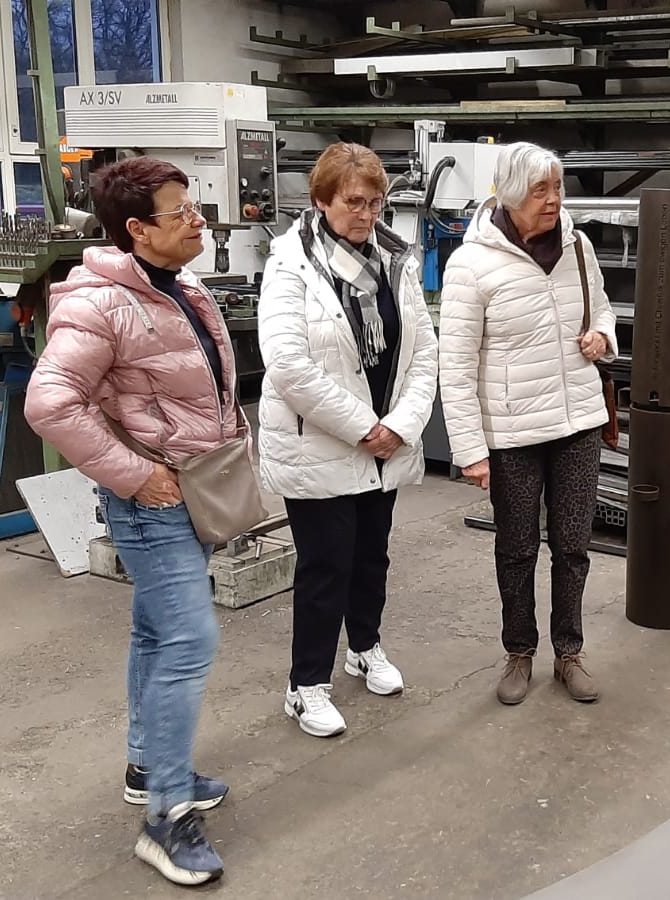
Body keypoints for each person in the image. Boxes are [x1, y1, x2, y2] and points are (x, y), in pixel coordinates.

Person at [26, 156, 236, 886]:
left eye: (193, 206)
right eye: (182, 212)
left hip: (190, 488)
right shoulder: (99, 303)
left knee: (155, 632)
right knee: (189, 639)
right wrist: (135, 474)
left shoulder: (180, 286)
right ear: (138, 230)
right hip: (152, 500)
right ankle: (167, 817)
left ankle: (150, 766)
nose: (198, 220)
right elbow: (50, 404)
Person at [257, 143, 438, 739]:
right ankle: (305, 686)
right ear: (321, 200)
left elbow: (424, 353)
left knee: (370, 556)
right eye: (353, 202)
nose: (366, 214)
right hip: (321, 446)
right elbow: (288, 365)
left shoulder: (396, 260)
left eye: (375, 202)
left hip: (385, 443)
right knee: (325, 567)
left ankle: (365, 647)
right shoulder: (291, 265)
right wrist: (364, 428)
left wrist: (399, 426)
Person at [439, 141, 618, 706]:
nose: (553, 199)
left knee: (573, 546)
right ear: (512, 194)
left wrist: (603, 335)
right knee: (516, 549)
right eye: (540, 189)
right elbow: (455, 365)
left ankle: (569, 652)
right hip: (512, 433)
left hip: (578, 423)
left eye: (557, 187)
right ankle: (519, 650)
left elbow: (602, 308)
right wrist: (470, 449)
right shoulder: (471, 264)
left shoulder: (577, 245)